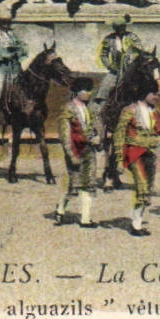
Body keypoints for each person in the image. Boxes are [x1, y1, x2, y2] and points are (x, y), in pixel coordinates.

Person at [115, 82, 160, 236]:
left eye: (157, 94)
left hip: (149, 153)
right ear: (144, 94)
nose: (157, 97)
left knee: (147, 188)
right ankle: (136, 225)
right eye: (154, 94)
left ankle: (137, 218)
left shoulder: (155, 112)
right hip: (134, 153)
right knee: (142, 186)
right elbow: (119, 135)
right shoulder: (129, 111)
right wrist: (119, 159)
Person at [55, 77, 100, 227]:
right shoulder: (68, 108)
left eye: (89, 90)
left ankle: (85, 219)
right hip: (75, 150)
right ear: (76, 92)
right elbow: (65, 134)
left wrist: (96, 137)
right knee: (72, 185)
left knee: (88, 183)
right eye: (85, 90)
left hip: (89, 150)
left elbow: (92, 128)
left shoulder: (90, 108)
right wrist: (70, 154)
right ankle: (61, 209)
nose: (88, 93)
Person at [0, 13, 28, 122]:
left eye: (8, 22)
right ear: (0, 22)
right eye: (5, 22)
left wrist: (19, 51)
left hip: (14, 65)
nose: (7, 24)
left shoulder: (13, 34)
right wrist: (2, 55)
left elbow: (23, 46)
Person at [93, 15, 142, 113]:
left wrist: (131, 58)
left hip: (131, 69)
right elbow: (103, 55)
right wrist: (110, 66)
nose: (122, 29)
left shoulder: (132, 37)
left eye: (123, 27)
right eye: (119, 27)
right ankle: (100, 110)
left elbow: (140, 51)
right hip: (116, 69)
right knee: (104, 86)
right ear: (115, 28)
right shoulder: (109, 39)